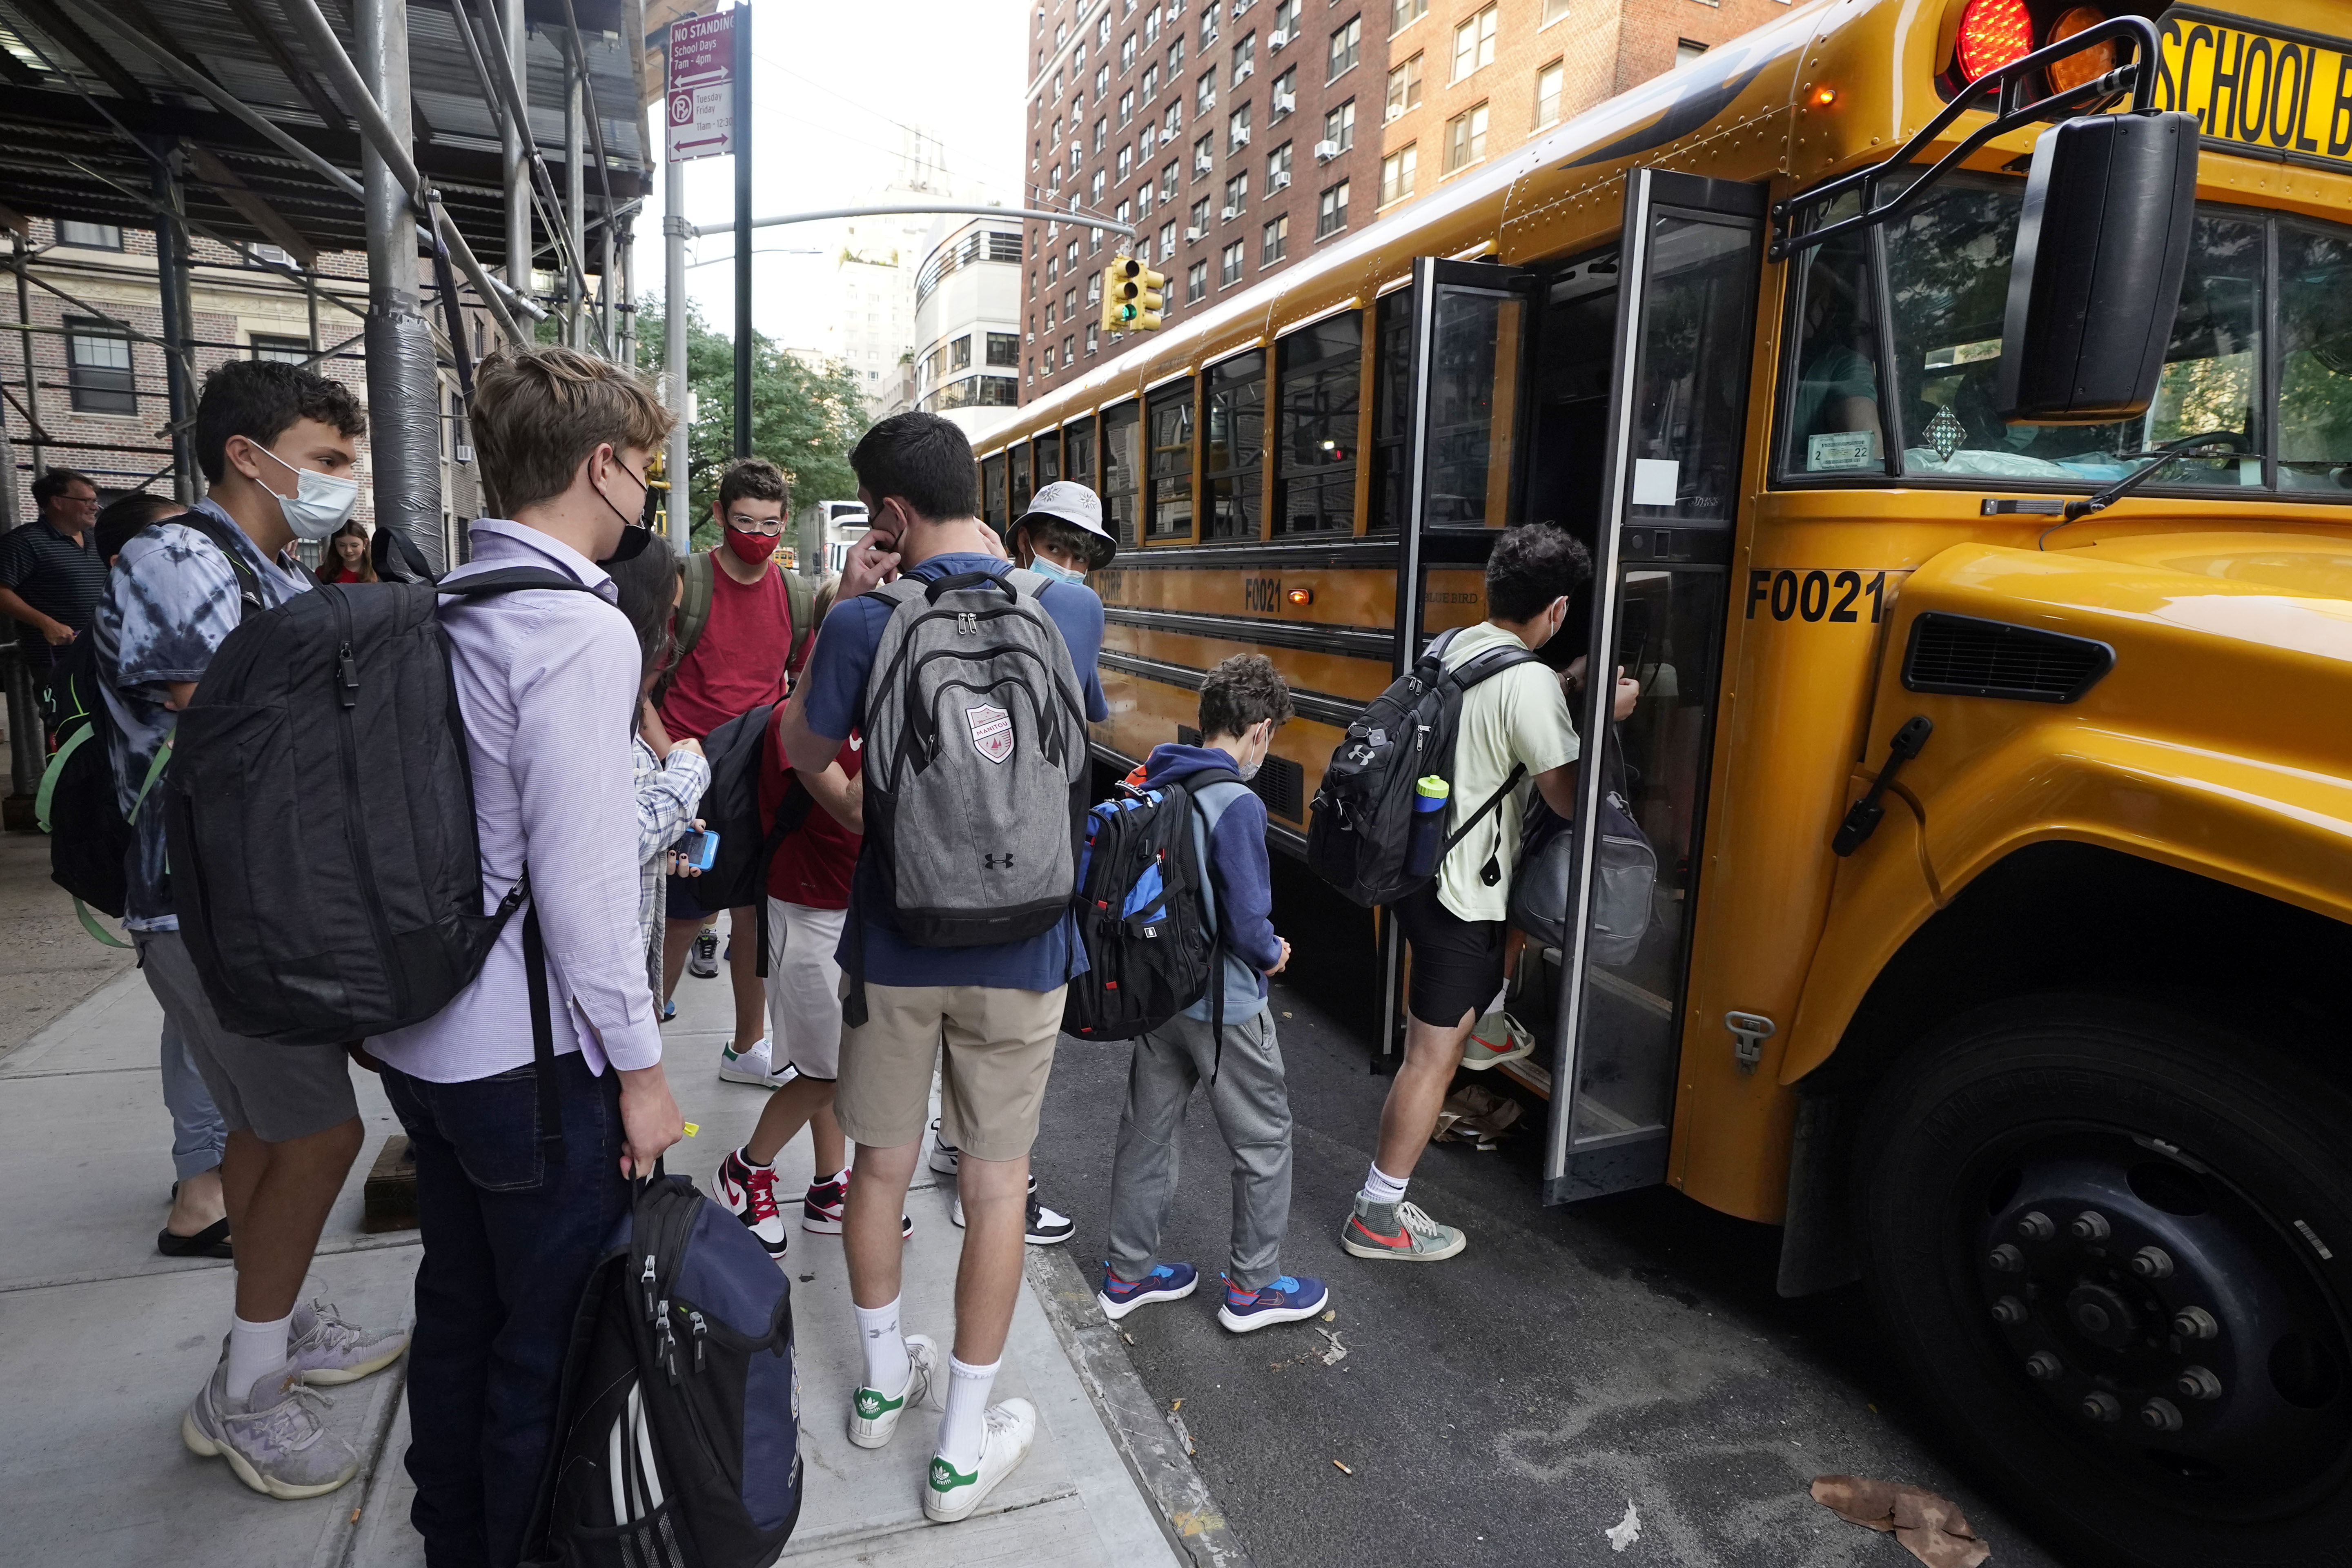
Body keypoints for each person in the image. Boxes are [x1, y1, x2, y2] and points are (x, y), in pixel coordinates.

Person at [366, 346, 685, 1567]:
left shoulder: (446, 603)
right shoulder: (576, 633)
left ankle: (454, 1532)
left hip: (425, 1037)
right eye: (642, 471)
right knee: (546, 1339)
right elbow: (588, 890)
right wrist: (645, 1070)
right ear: (601, 467)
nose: (643, 497)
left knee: (460, 1305)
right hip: (531, 1059)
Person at [776, 410, 1108, 1524]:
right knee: (997, 1185)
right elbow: (1072, 761)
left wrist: (878, 822)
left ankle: (880, 1385)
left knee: (879, 1166)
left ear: (890, 514)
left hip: (898, 943)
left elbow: (799, 750)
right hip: (1028, 950)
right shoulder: (1061, 610)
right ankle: (963, 1449)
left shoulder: (869, 621)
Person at [94, 359, 405, 1499]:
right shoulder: (175, 556)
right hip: (209, 906)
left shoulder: (268, 570)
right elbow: (227, 719)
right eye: (325, 462)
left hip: (252, 905)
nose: (340, 486)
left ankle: (269, 1325)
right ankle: (249, 1391)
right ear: (246, 453)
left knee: (266, 1134)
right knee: (321, 1137)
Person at [1340, 522, 1635, 1263]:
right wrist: (1604, 717)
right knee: (1429, 1061)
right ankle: (1378, 1214)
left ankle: (1485, 1021)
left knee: (1443, 1035)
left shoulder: (1451, 646)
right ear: (1559, 610)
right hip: (1462, 896)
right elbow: (1568, 800)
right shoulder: (1529, 682)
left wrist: (1563, 688)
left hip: (1416, 871)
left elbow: (1486, 719)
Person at [1100, 654, 1332, 1332]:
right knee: (1263, 1143)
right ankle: (1253, 1289)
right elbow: (1246, 919)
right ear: (1259, 732)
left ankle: (1127, 1274)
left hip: (1157, 995)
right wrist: (1273, 952)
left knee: (1148, 1132)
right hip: (1224, 1005)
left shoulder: (1156, 779)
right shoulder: (1237, 802)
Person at [657, 457, 800, 1088]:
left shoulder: (793, 593)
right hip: (692, 774)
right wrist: (673, 763)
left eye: (770, 523)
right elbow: (637, 688)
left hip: (759, 777)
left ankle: (748, 1046)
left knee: (754, 914)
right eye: (745, 520)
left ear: (785, 522)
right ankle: (637, 1051)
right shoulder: (686, 585)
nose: (758, 534)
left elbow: (798, 683)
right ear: (719, 516)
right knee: (685, 916)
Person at [607, 529, 710, 1007]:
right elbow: (619, 838)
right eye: (668, 616)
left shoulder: (616, 694)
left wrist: (665, 840)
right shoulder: (594, 708)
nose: (670, 635)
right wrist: (687, 772)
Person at [2, 466, 106, 722]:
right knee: (69, 729)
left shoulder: (98, 541)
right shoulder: (25, 542)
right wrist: (46, 623)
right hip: (58, 661)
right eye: (87, 500)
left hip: (104, 654)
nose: (95, 507)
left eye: (95, 501)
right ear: (57, 502)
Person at [1007, 480, 1116, 584]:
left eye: (1080, 558)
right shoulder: (992, 594)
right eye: (1053, 549)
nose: (1066, 569)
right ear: (1023, 540)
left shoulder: (1079, 603)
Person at [318, 519, 378, 584]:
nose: (348, 550)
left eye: (354, 545)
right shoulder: (323, 573)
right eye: (342, 545)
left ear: (365, 543)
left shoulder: (378, 571)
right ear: (335, 545)